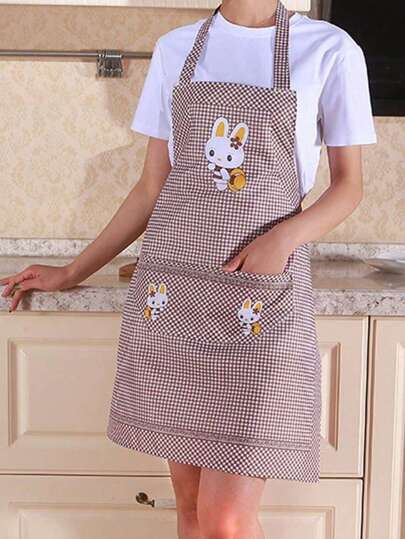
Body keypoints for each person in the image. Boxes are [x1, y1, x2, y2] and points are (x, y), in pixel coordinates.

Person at [1, 1, 377, 537]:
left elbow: (349, 186)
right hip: (174, 293)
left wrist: (283, 239)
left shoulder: (330, 49)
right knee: (192, 508)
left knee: (226, 520)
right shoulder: (176, 48)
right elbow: (151, 188)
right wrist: (71, 271)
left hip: (258, 299)